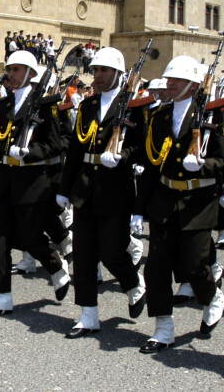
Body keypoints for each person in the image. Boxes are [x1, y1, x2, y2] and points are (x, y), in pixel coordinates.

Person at [134, 55, 224, 353]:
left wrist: (201, 165)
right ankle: (163, 327)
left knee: (193, 264)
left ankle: (212, 297)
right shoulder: (159, 116)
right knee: (156, 267)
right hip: (164, 199)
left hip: (197, 202)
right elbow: (152, 166)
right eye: (168, 79)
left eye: (176, 81)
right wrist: (138, 209)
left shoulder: (212, 116)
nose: (169, 84)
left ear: (193, 85)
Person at [57, 47, 146, 337]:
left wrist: (123, 156)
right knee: (83, 254)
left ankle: (133, 283)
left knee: (111, 252)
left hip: (115, 187)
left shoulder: (133, 106)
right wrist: (64, 188)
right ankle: (88, 314)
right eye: (95, 70)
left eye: (104, 70)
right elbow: (76, 148)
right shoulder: (87, 105)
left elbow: (142, 146)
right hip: (85, 187)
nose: (97, 76)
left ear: (119, 74)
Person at [0, 51, 69, 317]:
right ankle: (2, 296)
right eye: (9, 69)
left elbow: (55, 144)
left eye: (16, 69)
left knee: (29, 237)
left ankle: (55, 265)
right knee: (1, 239)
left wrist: (31, 152)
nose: (10, 74)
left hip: (32, 181)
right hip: (5, 180)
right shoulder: (1, 107)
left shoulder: (45, 104)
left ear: (29, 73)